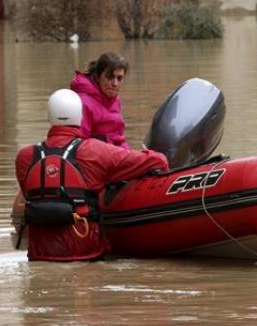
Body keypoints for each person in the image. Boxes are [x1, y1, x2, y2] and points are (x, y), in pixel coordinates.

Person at [14, 89, 168, 261]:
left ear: (49, 117)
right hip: (85, 253)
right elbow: (158, 161)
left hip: (39, 255)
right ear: (80, 117)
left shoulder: (24, 157)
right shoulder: (95, 151)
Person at [70, 52, 130, 148]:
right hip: (100, 157)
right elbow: (80, 146)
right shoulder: (84, 103)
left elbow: (118, 137)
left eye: (119, 78)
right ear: (98, 77)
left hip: (119, 154)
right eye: (110, 77)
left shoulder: (115, 100)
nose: (115, 83)